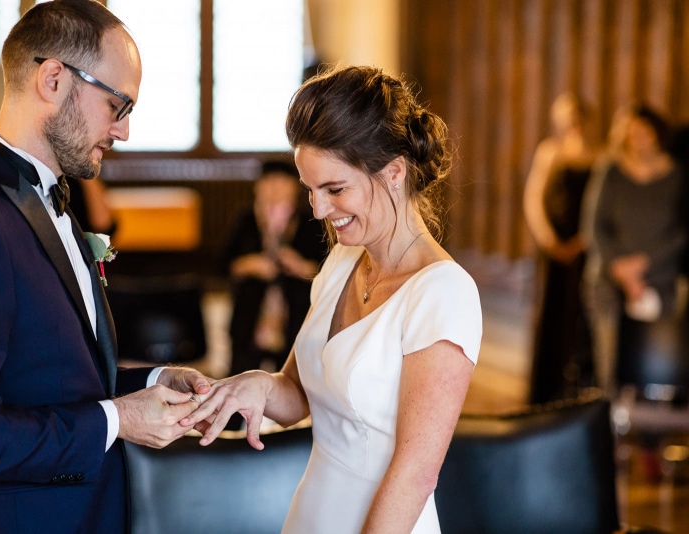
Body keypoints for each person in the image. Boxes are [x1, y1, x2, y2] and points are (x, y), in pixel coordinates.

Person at [0, 2, 209, 532]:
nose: (125, 130)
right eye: (118, 104)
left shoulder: (48, 202)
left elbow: (55, 377)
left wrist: (155, 379)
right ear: (55, 79)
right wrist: (120, 419)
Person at [184, 65, 482, 533]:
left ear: (394, 173)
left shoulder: (444, 291)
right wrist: (251, 385)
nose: (318, 210)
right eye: (310, 190)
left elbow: (415, 475)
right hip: (313, 513)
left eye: (334, 189)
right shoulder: (342, 262)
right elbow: (300, 393)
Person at [581, 103, 688, 400]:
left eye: (645, 133)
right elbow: (593, 226)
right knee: (610, 366)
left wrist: (645, 263)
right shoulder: (610, 170)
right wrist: (621, 269)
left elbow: (681, 231)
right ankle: (613, 432)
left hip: (660, 280)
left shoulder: (676, 175)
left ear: (657, 134)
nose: (638, 139)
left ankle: (650, 436)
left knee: (657, 367)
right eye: (632, 134)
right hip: (609, 280)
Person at [523, 92, 597, 403]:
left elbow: (597, 206)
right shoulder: (549, 152)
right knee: (551, 312)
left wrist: (584, 240)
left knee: (581, 314)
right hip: (554, 249)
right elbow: (534, 200)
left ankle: (578, 386)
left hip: (584, 248)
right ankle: (545, 389)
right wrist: (551, 242)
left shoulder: (597, 154)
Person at [223, 159, 327, 377]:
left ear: (295, 188)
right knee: (240, 380)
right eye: (269, 182)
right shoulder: (246, 220)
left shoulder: (311, 222)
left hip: (294, 319)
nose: (275, 188)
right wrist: (249, 265)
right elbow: (222, 264)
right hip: (249, 318)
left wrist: (299, 266)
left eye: (282, 183)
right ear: (257, 187)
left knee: (293, 384)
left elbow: (327, 272)